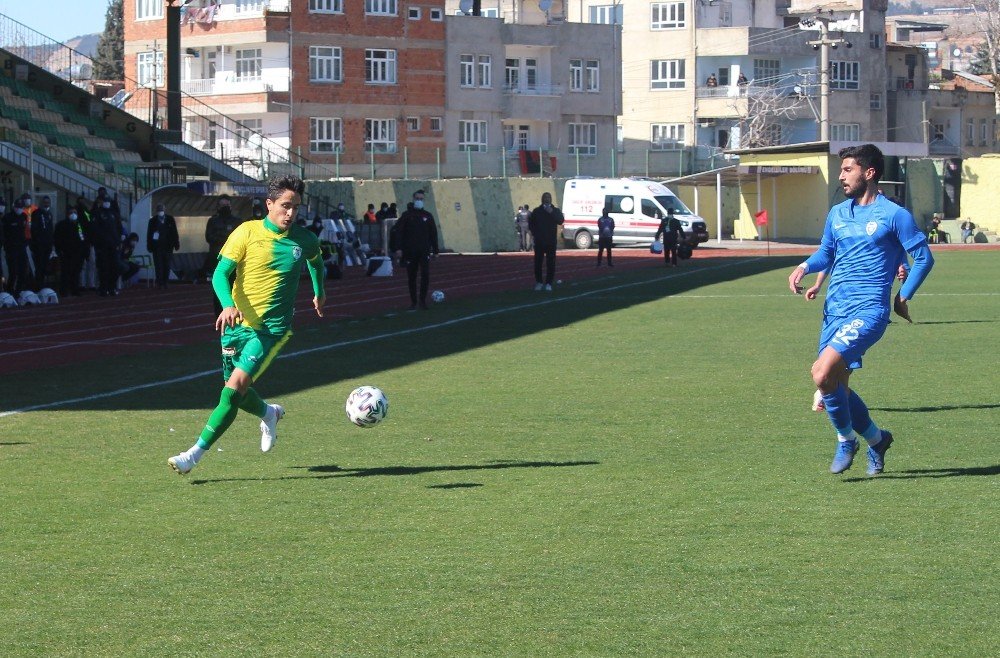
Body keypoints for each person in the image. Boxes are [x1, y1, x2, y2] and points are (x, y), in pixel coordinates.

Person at [787, 144, 934, 477]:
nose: (840, 176)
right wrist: (805, 266)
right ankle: (877, 439)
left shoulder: (895, 215)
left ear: (869, 173)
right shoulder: (838, 213)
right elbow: (827, 253)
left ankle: (845, 440)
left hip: (869, 311)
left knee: (822, 374)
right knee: (836, 385)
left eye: (847, 169)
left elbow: (924, 258)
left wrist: (903, 296)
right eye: (841, 170)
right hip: (834, 310)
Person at [168, 175, 325, 475]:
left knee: (232, 391)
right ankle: (269, 413)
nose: (291, 213)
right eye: (285, 206)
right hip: (236, 326)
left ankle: (193, 456)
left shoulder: (305, 240)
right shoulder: (245, 233)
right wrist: (228, 305)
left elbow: (316, 263)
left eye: (296, 207)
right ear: (269, 204)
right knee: (235, 392)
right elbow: (219, 274)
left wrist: (320, 292)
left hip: (271, 331)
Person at [392, 189, 440, 310]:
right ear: (413, 200)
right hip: (410, 252)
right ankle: (413, 302)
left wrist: (436, 251)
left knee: (425, 275)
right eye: (417, 199)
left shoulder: (428, 216)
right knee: (412, 277)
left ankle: (422, 301)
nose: (419, 201)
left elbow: (433, 234)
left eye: (421, 199)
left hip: (424, 251)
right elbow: (398, 232)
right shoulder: (407, 215)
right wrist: (398, 248)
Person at [203, 195, 244, 313]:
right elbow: (209, 237)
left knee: (235, 288)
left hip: (235, 261)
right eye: (222, 205)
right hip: (217, 259)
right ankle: (220, 314)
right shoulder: (213, 221)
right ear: (218, 207)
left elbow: (240, 239)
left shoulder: (237, 221)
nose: (225, 208)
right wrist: (226, 238)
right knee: (219, 288)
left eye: (227, 205)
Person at [528, 192, 564, 291]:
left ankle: (549, 283)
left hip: (551, 241)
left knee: (551, 263)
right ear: (542, 199)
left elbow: (560, 220)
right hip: (539, 241)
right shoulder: (537, 211)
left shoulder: (555, 210)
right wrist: (535, 234)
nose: (547, 199)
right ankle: (539, 282)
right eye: (545, 197)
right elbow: (531, 224)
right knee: (538, 263)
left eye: (549, 197)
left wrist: (551, 212)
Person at [90, 195, 122, 297]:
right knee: (103, 267)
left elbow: (119, 228)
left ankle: (112, 287)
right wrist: (97, 243)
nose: (107, 202)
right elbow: (94, 230)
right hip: (102, 246)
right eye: (105, 201)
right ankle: (103, 288)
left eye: (108, 201)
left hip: (113, 245)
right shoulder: (97, 213)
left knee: (115, 267)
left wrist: (118, 241)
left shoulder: (114, 214)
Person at [53, 206, 88, 296]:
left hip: (78, 253)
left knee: (76, 272)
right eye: (71, 212)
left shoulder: (80, 224)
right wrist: (59, 250)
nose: (73, 214)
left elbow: (83, 238)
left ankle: (75, 289)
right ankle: (63, 291)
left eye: (75, 212)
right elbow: (57, 239)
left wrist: (84, 252)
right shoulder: (61, 225)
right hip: (66, 253)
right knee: (66, 272)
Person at [147, 203, 180, 289]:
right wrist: (149, 246)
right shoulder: (152, 221)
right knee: (158, 265)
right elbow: (149, 234)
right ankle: (160, 282)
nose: (160, 212)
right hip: (157, 247)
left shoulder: (170, 219)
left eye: (161, 210)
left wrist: (176, 243)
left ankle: (165, 281)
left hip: (168, 246)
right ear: (156, 211)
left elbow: (174, 232)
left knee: (167, 265)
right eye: (159, 210)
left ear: (164, 210)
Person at [2, 198, 29, 295]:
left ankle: (18, 290)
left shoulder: (24, 216)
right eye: (18, 207)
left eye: (21, 207)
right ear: (14, 207)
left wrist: (26, 242)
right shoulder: (7, 218)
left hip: (21, 247)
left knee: (23, 270)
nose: (19, 209)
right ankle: (10, 291)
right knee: (13, 271)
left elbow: (25, 231)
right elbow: (4, 233)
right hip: (11, 248)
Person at [30, 196, 55, 289]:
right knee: (39, 266)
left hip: (47, 244)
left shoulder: (49, 214)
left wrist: (51, 242)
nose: (46, 204)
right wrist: (37, 242)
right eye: (45, 202)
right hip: (39, 245)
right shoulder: (36, 213)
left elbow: (50, 229)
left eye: (48, 202)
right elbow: (34, 229)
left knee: (45, 265)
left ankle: (42, 284)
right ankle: (37, 285)